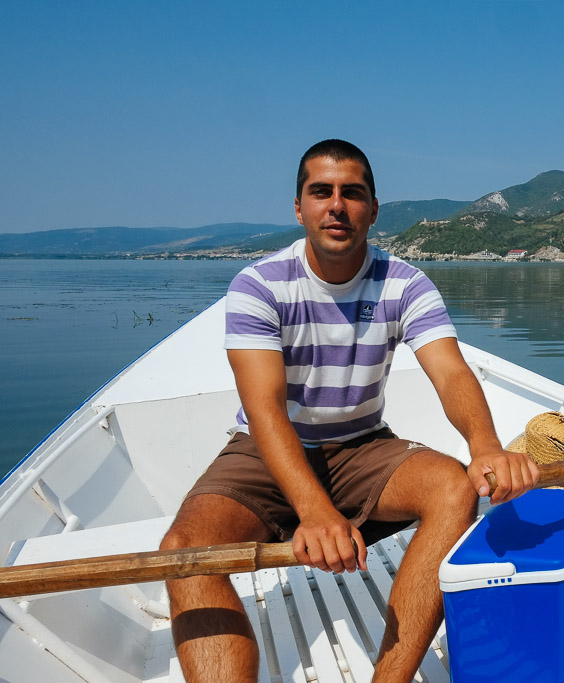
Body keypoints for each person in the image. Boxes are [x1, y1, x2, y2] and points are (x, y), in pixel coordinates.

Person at [160, 139, 540, 682]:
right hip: (265, 449)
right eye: (321, 192)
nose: (336, 206)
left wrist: (484, 445)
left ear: (373, 209)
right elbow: (264, 409)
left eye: (352, 193)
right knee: (184, 548)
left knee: (453, 488)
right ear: (299, 207)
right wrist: (314, 511)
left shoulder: (405, 283)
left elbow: (452, 371)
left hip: (363, 446)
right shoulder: (258, 286)